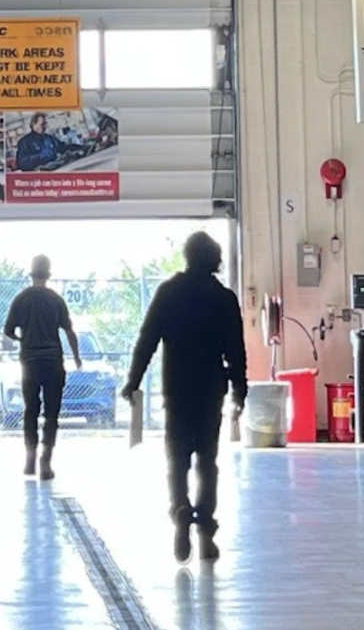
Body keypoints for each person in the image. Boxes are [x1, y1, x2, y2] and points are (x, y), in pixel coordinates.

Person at [121, 232, 247, 563]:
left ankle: (180, 511)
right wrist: (240, 390)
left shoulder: (169, 293)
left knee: (177, 459)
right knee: (207, 460)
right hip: (210, 390)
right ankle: (205, 526)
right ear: (215, 260)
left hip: (176, 388)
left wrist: (133, 381)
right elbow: (236, 349)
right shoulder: (224, 298)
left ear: (187, 256)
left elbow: (146, 340)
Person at [4, 255, 82, 480]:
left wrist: (23, 340)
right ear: (48, 274)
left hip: (29, 361)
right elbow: (69, 331)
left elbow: (8, 331)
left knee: (31, 410)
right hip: (53, 361)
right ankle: (45, 462)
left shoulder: (21, 299)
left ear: (32, 274)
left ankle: (29, 459)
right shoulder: (56, 300)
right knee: (51, 414)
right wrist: (76, 357)